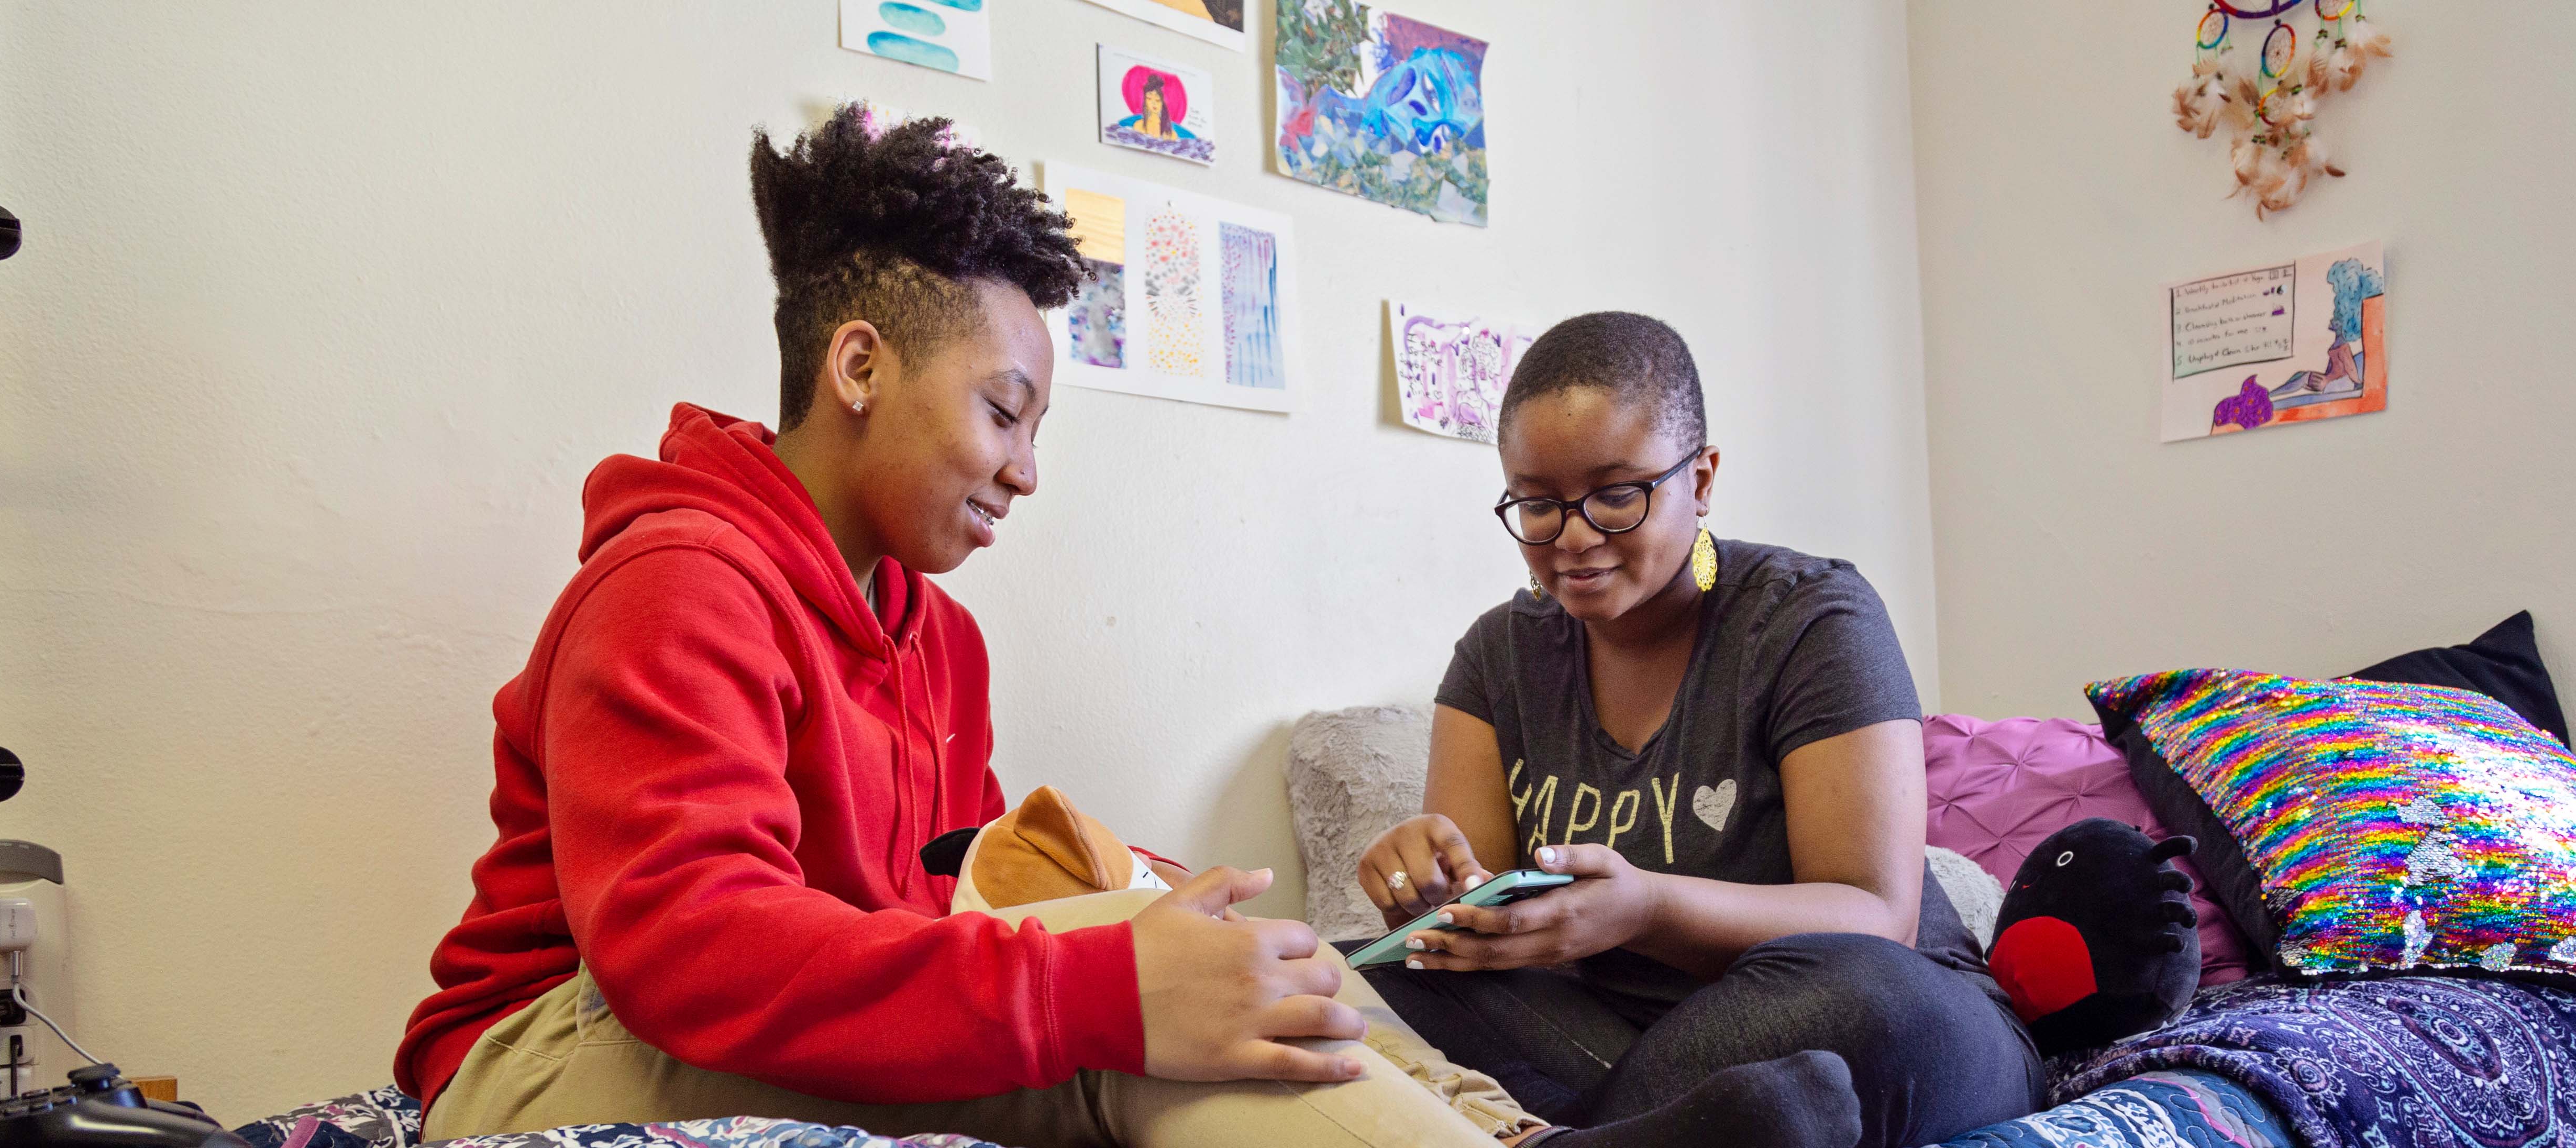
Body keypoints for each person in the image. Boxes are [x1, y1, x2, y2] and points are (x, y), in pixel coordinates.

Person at [397, 106, 1854, 1148]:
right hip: (551, 1051)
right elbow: (688, 950)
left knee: (1217, 955)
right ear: (857, 365)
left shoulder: (932, 637)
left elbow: (951, 894)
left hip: (715, 1020)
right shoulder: (680, 583)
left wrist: (1149, 915)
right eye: (1005, 411)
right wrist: (1103, 976)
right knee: (1123, 1010)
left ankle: (1506, 1136)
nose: (1028, 468)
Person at [1355, 312, 2046, 1147]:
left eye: (1616, 495)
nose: (1573, 538)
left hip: (1867, 1017)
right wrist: (1436, 897)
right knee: (1357, 969)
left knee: (1863, 994)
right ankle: (1687, 1131)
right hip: (1625, 1045)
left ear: (1703, 477)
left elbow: (1878, 917)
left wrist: (1645, 909)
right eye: (1537, 505)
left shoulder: (1811, 620)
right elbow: (1488, 915)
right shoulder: (1499, 653)